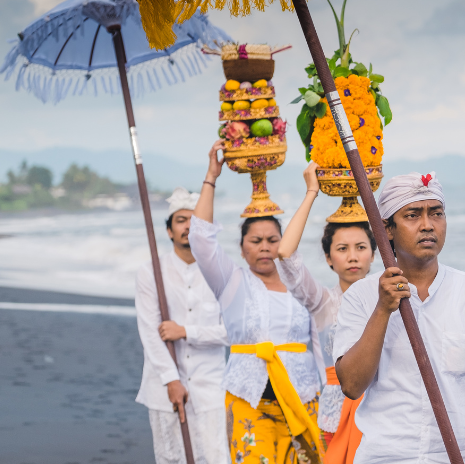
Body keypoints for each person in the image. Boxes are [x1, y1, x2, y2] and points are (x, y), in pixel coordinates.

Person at [334, 172, 465, 464]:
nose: (428, 225)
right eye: (413, 215)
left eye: (436, 213)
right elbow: (351, 385)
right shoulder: (361, 297)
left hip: (460, 457)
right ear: (386, 229)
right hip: (385, 456)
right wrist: (383, 309)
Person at [189, 141, 326, 464]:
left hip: (303, 398)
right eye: (256, 241)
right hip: (248, 399)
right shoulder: (231, 282)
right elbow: (201, 239)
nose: (265, 247)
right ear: (242, 249)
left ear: (283, 243)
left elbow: (320, 345)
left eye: (272, 240)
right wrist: (211, 177)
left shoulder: (302, 286)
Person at [276, 162, 377, 463]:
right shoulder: (322, 302)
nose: (353, 256)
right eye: (342, 249)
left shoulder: (389, 302)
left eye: (361, 247)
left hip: (381, 406)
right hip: (336, 410)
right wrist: (311, 192)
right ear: (329, 258)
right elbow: (285, 254)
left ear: (374, 253)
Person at [135, 188, 230, 464]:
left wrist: (187, 332)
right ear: (169, 231)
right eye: (180, 220)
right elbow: (150, 332)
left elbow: (233, 332)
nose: (188, 226)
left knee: (216, 457)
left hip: (210, 386)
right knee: (171, 458)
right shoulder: (150, 272)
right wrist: (171, 379)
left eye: (193, 220)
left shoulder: (221, 272)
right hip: (163, 387)